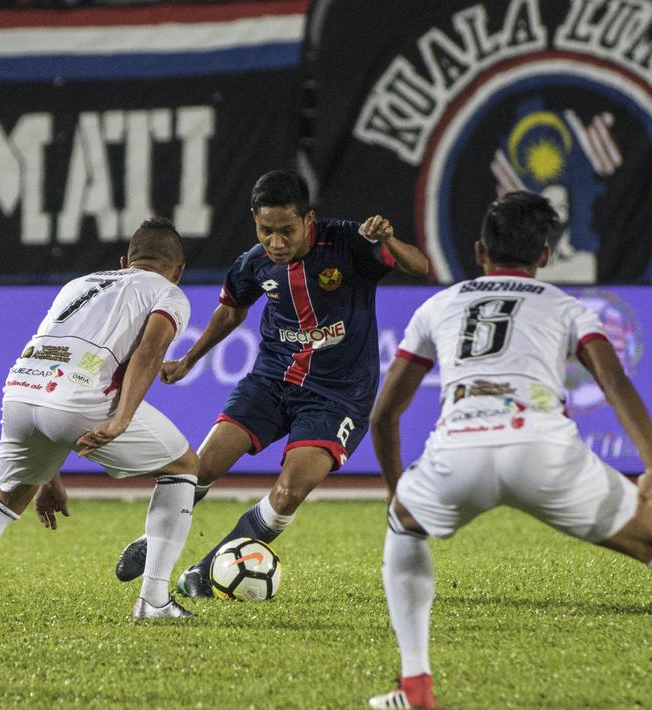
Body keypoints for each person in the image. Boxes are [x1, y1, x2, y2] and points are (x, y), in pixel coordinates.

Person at [365, 192, 652, 709]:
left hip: (458, 450)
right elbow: (614, 381)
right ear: (546, 257)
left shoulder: (438, 305)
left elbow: (383, 416)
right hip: (543, 451)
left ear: (480, 252)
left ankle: (416, 687)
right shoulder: (565, 306)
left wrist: (400, 490)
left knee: (404, 526)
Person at [112, 168, 429, 597]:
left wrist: (388, 239)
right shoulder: (254, 262)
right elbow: (231, 311)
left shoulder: (350, 243)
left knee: (287, 493)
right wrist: (189, 358)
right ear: (254, 222)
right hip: (270, 382)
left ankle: (205, 573)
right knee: (197, 469)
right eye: (266, 231)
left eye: (287, 231)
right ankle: (155, 541)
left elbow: (419, 265)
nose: (276, 243)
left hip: (337, 397)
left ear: (308, 220)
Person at [0, 217, 201, 621]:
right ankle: (153, 600)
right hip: (78, 399)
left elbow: (54, 358)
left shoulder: (78, 285)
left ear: (124, 261)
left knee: (4, 500)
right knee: (183, 466)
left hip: (21, 390)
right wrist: (119, 421)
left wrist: (47, 474)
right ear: (178, 270)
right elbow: (150, 351)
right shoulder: (168, 292)